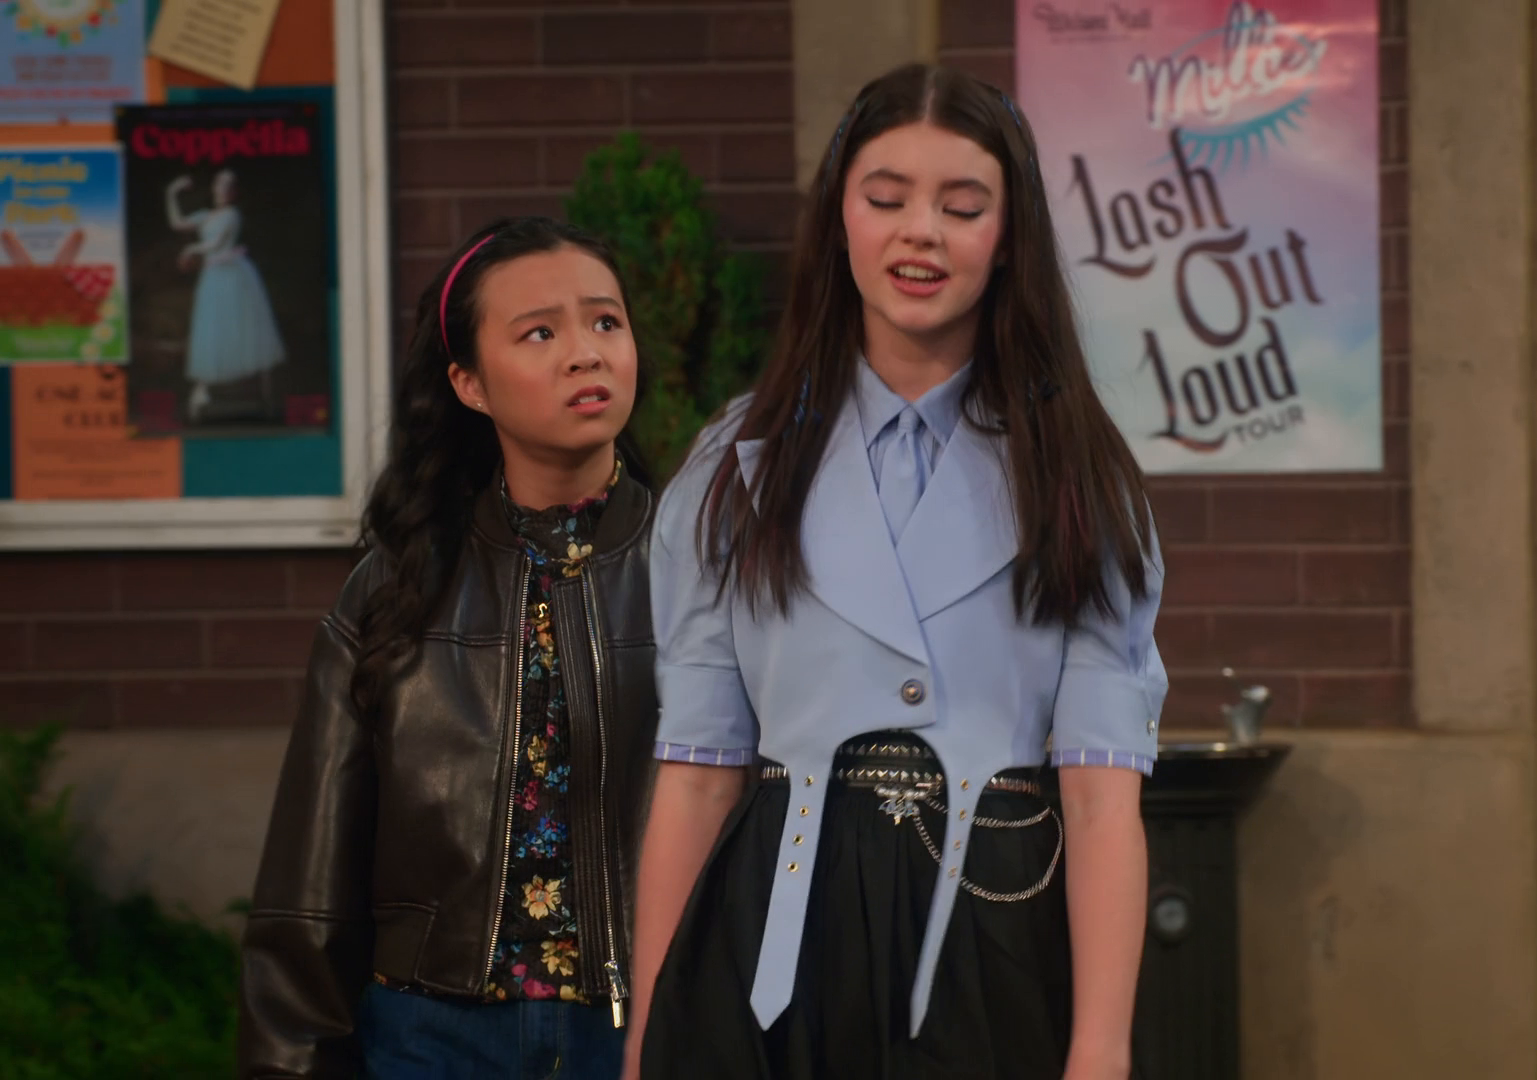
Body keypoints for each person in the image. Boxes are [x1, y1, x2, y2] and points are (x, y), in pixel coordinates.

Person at [625, 63, 1167, 1080]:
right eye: (886, 199)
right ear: (838, 220)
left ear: (1008, 238)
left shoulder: (1079, 474)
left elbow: (1103, 801)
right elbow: (696, 779)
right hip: (775, 938)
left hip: (995, 931)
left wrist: (1100, 1049)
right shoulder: (731, 466)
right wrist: (647, 1047)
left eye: (962, 207)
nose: (922, 233)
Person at [239, 216, 658, 1079]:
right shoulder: (396, 587)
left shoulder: (705, 566)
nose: (585, 353)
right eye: (540, 333)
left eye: (605, 321)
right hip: (432, 1035)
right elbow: (310, 886)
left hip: (650, 1027)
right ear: (469, 383)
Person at [165, 168, 286, 423]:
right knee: (211, 329)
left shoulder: (232, 215)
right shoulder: (206, 215)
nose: (223, 189)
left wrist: (192, 248)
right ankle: (201, 392)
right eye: (220, 184)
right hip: (213, 277)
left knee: (247, 329)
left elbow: (216, 243)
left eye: (228, 185)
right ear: (214, 188)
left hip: (234, 276)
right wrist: (172, 192)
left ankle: (266, 394)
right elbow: (177, 223)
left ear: (234, 192)